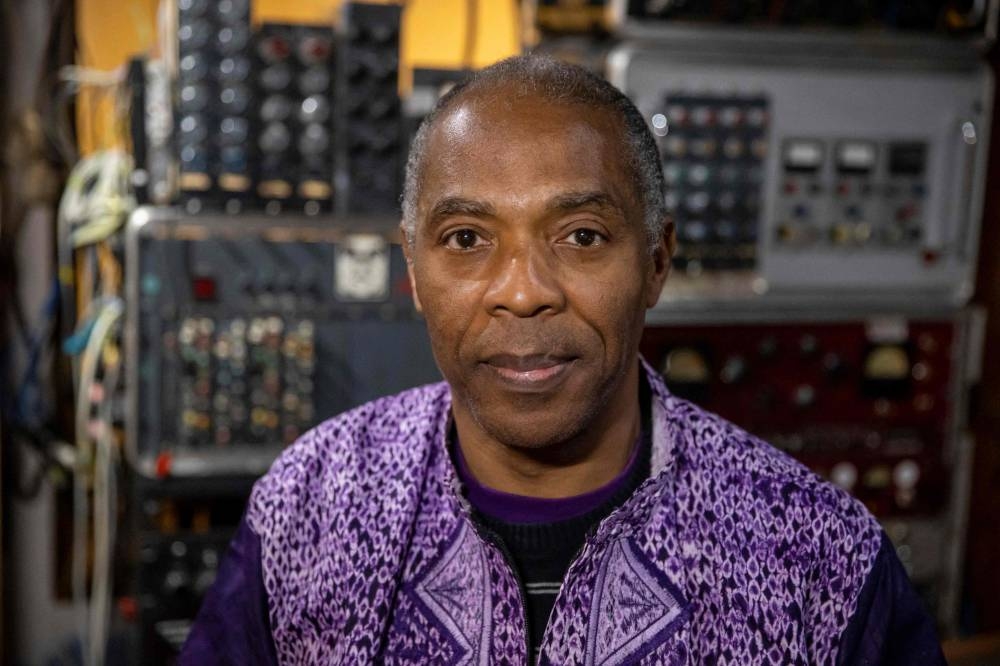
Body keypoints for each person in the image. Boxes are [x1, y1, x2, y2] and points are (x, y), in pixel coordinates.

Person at [180, 54, 944, 665]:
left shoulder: (817, 557)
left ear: (655, 262)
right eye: (467, 240)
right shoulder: (310, 506)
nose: (522, 294)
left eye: (581, 235)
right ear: (411, 271)